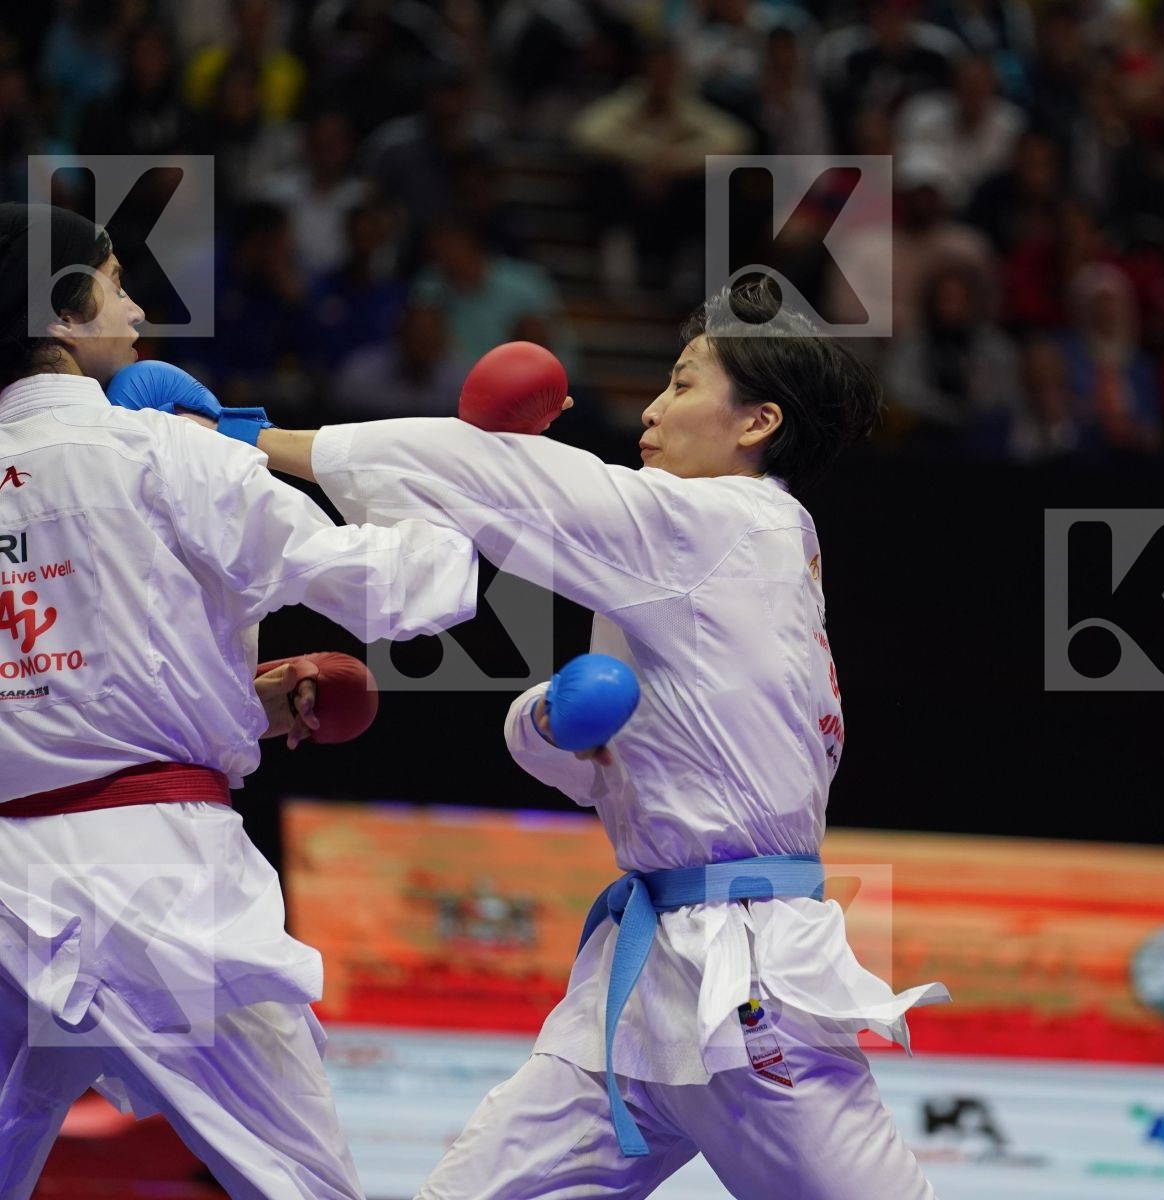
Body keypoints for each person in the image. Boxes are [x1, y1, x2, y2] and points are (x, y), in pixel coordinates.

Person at [254, 279, 950, 1198]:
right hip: (640, 983)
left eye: (684, 384)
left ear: (756, 423)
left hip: (748, 984)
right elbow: (607, 760)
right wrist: (544, 719)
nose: (652, 409)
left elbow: (510, 482)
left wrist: (255, 443)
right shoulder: (697, 558)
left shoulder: (722, 525)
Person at [0, 202, 479, 1199]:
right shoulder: (161, 450)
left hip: (10, 885)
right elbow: (397, 589)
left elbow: (64, 669)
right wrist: (458, 494)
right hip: (158, 881)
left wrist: (233, 701)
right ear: (63, 311)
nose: (135, 304)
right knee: (302, 1185)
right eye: (117, 281)